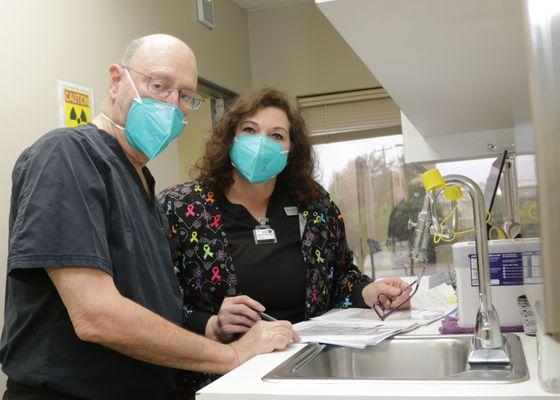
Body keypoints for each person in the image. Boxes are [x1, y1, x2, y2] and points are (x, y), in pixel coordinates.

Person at [0, 35, 297, 400]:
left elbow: (152, 307)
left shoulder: (142, 185)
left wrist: (212, 327)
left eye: (185, 96)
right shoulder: (67, 157)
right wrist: (232, 354)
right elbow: (96, 316)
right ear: (115, 80)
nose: (172, 105)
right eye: (159, 85)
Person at [158, 87, 412, 392]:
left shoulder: (314, 203)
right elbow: (156, 304)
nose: (262, 143)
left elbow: (341, 275)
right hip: (221, 378)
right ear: (230, 138)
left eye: (277, 135)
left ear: (292, 149)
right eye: (250, 130)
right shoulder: (182, 207)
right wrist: (211, 324)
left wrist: (369, 291)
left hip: (305, 365)